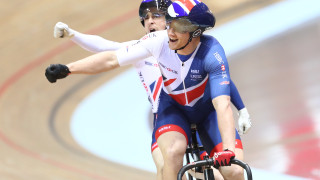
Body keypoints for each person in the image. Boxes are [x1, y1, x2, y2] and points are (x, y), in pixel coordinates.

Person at [46, 0, 251, 179]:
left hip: (206, 112)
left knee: (233, 171)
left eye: (174, 26)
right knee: (170, 156)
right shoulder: (154, 43)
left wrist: (229, 147)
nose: (167, 31)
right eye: (167, 24)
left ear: (195, 31)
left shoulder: (211, 53)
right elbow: (109, 54)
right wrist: (68, 68)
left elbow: (221, 100)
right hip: (172, 111)